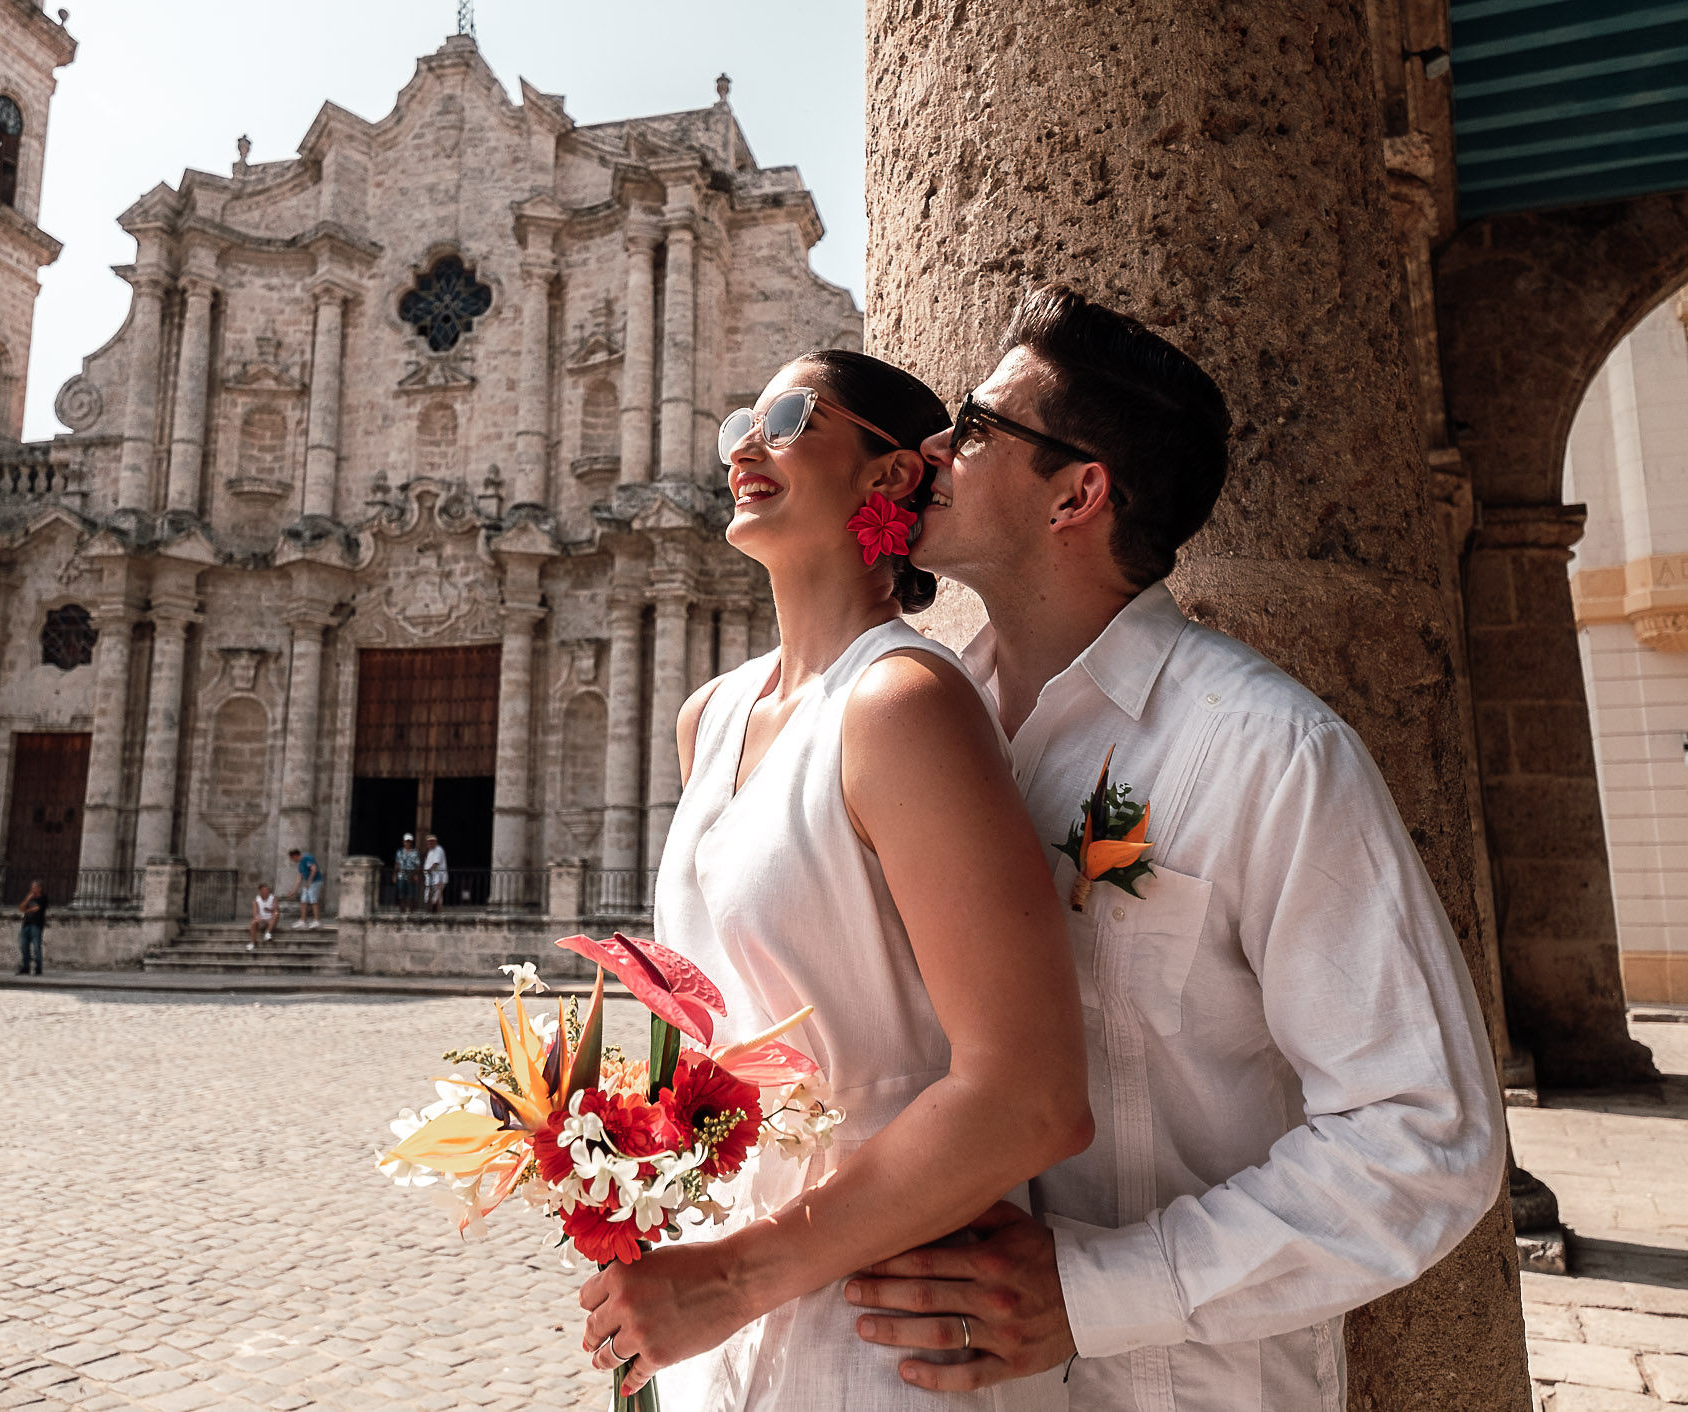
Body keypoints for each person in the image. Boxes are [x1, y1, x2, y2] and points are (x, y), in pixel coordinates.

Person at [843, 287, 1505, 1407]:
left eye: (978, 424)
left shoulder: (1272, 752)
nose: (936, 449)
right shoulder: (916, 730)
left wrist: (1094, 1296)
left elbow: (1424, 1138)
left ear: (1077, 493)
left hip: (1181, 1390)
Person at [580, 349, 1093, 1408]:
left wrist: (729, 1279)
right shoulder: (708, 720)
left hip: (887, 1315)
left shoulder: (903, 703)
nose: (745, 446)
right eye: (737, 425)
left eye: (790, 415)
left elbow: (1031, 1098)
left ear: (891, 475)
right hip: (712, 1308)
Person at [16, 880, 47, 976]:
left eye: (34, 887)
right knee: (24, 946)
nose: (32, 889)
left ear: (39, 888)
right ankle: (26, 967)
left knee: (36, 946)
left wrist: (27, 910)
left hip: (36, 924)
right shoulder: (30, 898)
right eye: (32, 887)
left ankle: (38, 968)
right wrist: (27, 899)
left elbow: (36, 908)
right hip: (26, 924)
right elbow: (21, 908)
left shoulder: (43, 898)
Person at [287, 848, 323, 929]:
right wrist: (294, 891)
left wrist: (309, 881)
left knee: (313, 900)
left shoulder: (308, 858)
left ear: (295, 856)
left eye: (292, 858)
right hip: (308, 883)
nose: (292, 860)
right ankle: (303, 921)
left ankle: (317, 921)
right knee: (303, 900)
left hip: (315, 882)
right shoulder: (300, 864)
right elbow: (299, 878)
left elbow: (314, 869)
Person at [419, 834, 447, 913]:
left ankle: (437, 913)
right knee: (430, 897)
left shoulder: (438, 850)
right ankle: (430, 913)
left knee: (437, 896)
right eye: (429, 842)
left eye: (432, 841)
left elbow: (436, 863)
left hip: (438, 877)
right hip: (430, 878)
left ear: (435, 842)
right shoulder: (430, 851)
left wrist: (429, 870)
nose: (430, 843)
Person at [394, 835, 422, 912]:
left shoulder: (415, 852)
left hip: (411, 875)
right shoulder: (399, 851)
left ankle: (411, 911)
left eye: (409, 841)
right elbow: (397, 863)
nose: (408, 843)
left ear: (411, 842)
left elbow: (418, 865)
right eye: (406, 841)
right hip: (401, 875)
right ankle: (402, 910)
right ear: (404, 842)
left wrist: (416, 874)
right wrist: (394, 875)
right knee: (401, 894)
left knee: (411, 894)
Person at [247, 882, 278, 952]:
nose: (266, 891)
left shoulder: (273, 898)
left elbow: (276, 908)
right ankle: (252, 943)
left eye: (267, 890)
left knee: (276, 913)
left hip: (272, 921)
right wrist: (258, 918)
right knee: (253, 923)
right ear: (260, 891)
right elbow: (255, 913)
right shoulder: (256, 900)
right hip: (262, 921)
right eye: (264, 890)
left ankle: (267, 933)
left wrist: (270, 909)